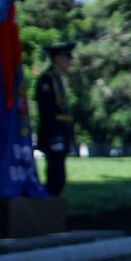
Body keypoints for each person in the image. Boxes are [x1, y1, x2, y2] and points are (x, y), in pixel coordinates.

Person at [35, 42, 75, 196]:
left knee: (60, 177)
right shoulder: (47, 79)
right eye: (66, 58)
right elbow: (47, 110)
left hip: (61, 133)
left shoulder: (58, 79)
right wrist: (54, 136)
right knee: (55, 176)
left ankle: (50, 208)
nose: (69, 62)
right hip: (54, 135)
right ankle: (46, 209)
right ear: (57, 58)